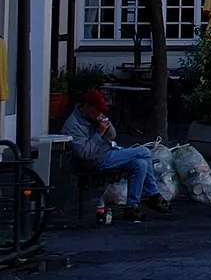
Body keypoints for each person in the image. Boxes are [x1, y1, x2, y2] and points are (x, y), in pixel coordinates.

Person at [62, 90, 169, 218]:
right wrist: (99, 134)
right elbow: (85, 154)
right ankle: (152, 193)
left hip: (106, 152)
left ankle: (132, 206)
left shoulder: (94, 117)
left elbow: (113, 136)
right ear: (87, 107)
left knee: (140, 164)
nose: (98, 113)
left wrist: (107, 126)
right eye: (96, 110)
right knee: (144, 152)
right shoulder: (74, 125)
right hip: (94, 160)